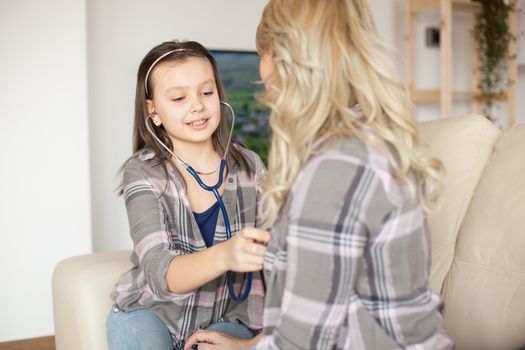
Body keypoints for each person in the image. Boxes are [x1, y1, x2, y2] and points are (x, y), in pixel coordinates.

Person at [184, 0, 454, 349]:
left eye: (262, 54)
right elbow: (323, 313)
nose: (260, 70)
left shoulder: (335, 170)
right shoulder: (360, 141)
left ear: (283, 60)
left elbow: (301, 344)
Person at [106, 40, 271, 350]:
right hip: (153, 311)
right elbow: (160, 272)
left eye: (206, 93)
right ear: (153, 110)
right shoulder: (142, 173)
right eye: (179, 97)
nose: (197, 105)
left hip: (229, 312)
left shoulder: (250, 167)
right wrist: (227, 254)